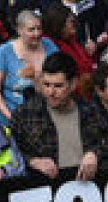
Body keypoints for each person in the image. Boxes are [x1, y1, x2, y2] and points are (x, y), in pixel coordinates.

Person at [12, 52, 99, 182]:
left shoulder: (89, 110)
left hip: (88, 187)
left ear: (73, 84)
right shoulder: (25, 114)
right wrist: (32, 161)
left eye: (58, 86)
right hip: (45, 190)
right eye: (46, 85)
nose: (50, 92)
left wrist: (94, 154)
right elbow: (10, 151)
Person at [0, 9, 59, 123]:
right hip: (12, 115)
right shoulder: (3, 52)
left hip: (47, 113)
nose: (37, 34)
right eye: (31, 30)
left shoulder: (49, 45)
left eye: (39, 28)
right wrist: (11, 118)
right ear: (19, 31)